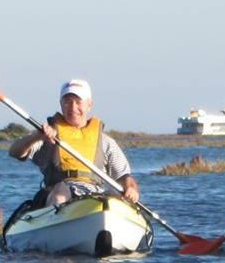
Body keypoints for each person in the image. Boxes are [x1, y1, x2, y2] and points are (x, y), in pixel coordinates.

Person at [9, 79, 140, 207]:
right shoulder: (47, 135)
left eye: (78, 102)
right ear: (61, 104)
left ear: (89, 105)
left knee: (115, 196)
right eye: (67, 102)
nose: (73, 107)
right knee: (60, 192)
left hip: (94, 193)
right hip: (58, 192)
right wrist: (37, 137)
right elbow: (15, 152)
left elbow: (124, 176)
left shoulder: (106, 142)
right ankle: (57, 224)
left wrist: (130, 188)